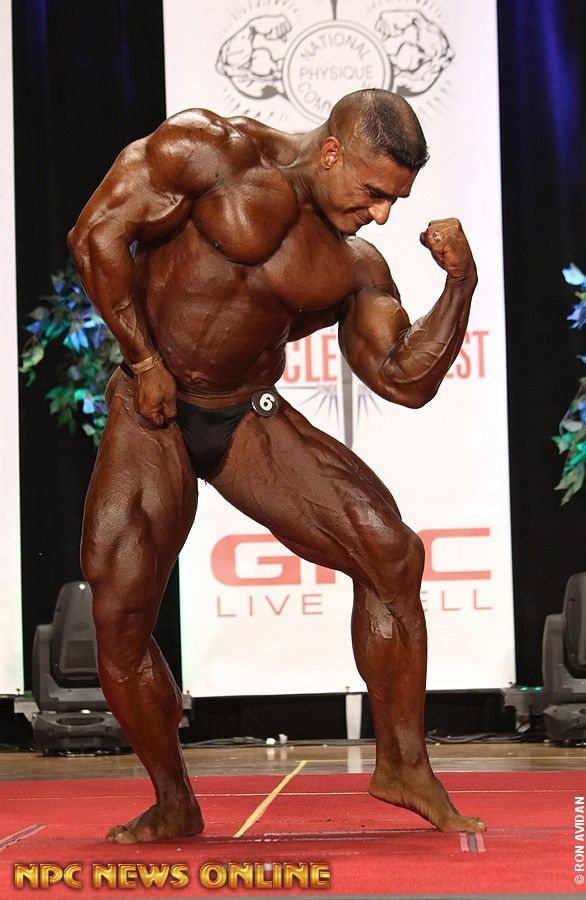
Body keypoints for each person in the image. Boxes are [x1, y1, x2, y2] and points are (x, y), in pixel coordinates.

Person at [68, 88, 484, 843]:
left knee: (390, 552)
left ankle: (403, 764)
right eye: (373, 192)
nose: (381, 215)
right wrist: (143, 359)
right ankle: (173, 799)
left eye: (395, 201)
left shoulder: (353, 263)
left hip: (244, 414)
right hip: (152, 407)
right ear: (331, 151)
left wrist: (460, 285)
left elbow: (403, 378)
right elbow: (97, 232)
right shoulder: (211, 151)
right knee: (119, 611)